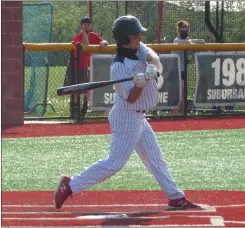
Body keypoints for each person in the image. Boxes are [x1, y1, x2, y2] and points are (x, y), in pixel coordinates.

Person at [54, 15, 200, 211]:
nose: (139, 37)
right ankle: (70, 185)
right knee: (114, 163)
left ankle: (176, 197)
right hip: (127, 116)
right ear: (125, 38)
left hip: (139, 116)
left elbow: (154, 57)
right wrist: (140, 83)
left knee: (155, 158)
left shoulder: (138, 49)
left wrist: (152, 70)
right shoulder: (119, 67)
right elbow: (131, 98)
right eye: (135, 34)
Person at [64, 16, 109, 118]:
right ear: (81, 26)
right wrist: (84, 33)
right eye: (84, 24)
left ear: (91, 26)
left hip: (85, 66)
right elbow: (86, 44)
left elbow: (105, 42)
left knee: (86, 88)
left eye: (88, 24)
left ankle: (84, 106)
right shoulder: (79, 36)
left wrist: (103, 42)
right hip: (74, 65)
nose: (87, 26)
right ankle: (74, 110)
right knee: (74, 88)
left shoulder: (93, 35)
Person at [172, 20, 205, 115]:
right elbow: (187, 42)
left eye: (186, 30)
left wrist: (197, 41)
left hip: (183, 71)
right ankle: (175, 115)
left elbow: (193, 43)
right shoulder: (176, 40)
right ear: (178, 31)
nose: (184, 32)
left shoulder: (188, 40)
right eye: (182, 30)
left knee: (183, 93)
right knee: (178, 94)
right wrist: (197, 41)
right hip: (175, 70)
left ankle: (182, 115)